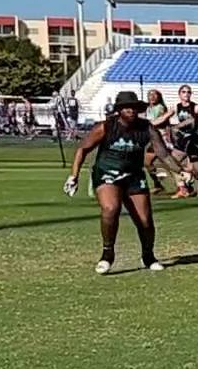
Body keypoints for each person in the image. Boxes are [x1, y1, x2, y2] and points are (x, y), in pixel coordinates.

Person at [63, 90, 165, 274]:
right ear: (119, 110)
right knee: (111, 209)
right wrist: (73, 176)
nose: (131, 111)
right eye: (126, 108)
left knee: (145, 221)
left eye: (133, 107)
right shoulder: (106, 127)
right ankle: (107, 254)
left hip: (133, 176)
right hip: (107, 174)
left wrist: (182, 171)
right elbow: (82, 149)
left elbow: (163, 153)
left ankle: (148, 256)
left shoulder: (146, 128)